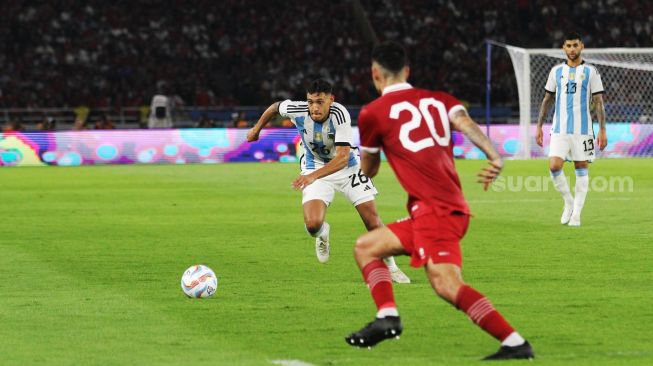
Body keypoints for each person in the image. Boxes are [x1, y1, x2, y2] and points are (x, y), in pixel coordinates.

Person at [345, 41, 534, 360]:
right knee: (367, 247)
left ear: (374, 74)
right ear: (407, 71)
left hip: (438, 213)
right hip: (430, 211)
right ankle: (387, 316)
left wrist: (358, 171)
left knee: (446, 284)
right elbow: (466, 124)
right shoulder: (440, 100)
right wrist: (494, 156)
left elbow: (370, 168)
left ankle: (514, 342)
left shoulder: (372, 113)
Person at [247, 78, 410, 284]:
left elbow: (342, 158)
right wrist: (256, 130)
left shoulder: (340, 115)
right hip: (315, 166)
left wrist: (312, 176)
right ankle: (323, 233)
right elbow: (274, 108)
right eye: (310, 102)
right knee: (313, 224)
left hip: (348, 168)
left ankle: (392, 268)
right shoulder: (298, 109)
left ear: (331, 100)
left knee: (372, 221)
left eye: (320, 102)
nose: (314, 107)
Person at [536, 32, 607, 227]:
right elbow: (547, 99)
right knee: (554, 166)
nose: (572, 49)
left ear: (581, 46)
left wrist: (602, 129)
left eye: (575, 45)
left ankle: (577, 214)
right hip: (559, 129)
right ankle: (568, 202)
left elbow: (598, 102)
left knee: (581, 168)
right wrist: (540, 126)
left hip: (583, 130)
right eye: (568, 45)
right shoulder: (556, 71)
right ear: (563, 48)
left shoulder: (591, 72)